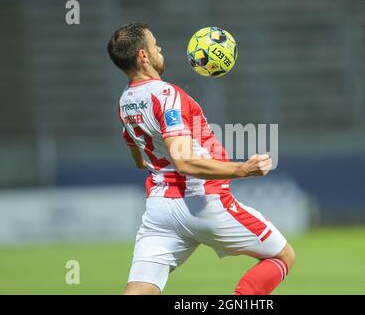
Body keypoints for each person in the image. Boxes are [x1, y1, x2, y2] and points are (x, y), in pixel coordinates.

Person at [107, 22, 295, 295]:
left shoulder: (125, 101)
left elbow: (140, 161)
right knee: (282, 256)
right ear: (143, 56)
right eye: (154, 44)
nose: (159, 49)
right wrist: (243, 169)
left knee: (140, 289)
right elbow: (184, 162)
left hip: (160, 209)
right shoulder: (166, 95)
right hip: (201, 202)